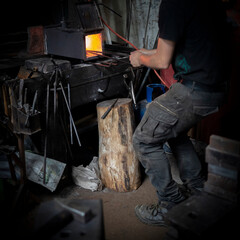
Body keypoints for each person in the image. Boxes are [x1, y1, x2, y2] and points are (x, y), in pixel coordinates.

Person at [129, 0, 229, 226]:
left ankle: (169, 204)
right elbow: (177, 47)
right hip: (216, 88)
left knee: (144, 140)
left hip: (196, 90)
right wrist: (145, 52)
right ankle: (197, 188)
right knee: (173, 130)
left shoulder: (173, 4)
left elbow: (162, 60)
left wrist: (140, 59)